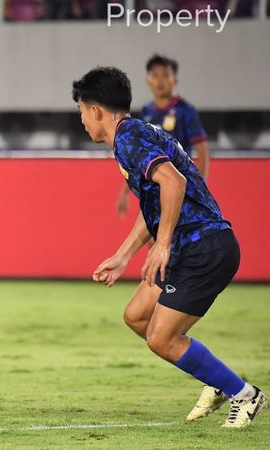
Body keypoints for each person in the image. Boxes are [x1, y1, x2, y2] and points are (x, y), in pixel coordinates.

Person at [74, 66, 265, 428]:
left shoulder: (129, 138)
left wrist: (161, 247)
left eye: (82, 111)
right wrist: (124, 255)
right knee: (137, 317)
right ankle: (217, 379)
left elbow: (173, 184)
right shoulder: (135, 135)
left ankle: (245, 394)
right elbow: (157, 203)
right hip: (189, 246)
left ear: (95, 110)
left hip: (203, 247)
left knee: (161, 338)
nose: (82, 120)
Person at [117, 54, 210, 216]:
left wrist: (199, 188)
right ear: (148, 81)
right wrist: (126, 192)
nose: (160, 81)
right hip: (152, 189)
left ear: (175, 80)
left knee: (177, 236)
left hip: (179, 186)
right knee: (155, 237)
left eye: (165, 75)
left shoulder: (185, 111)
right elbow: (139, 156)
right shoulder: (145, 113)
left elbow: (202, 150)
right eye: (155, 75)